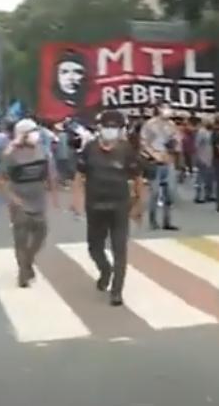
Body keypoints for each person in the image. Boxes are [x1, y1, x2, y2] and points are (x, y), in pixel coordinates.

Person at [72, 110, 145, 306]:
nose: (110, 130)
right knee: (94, 247)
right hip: (95, 206)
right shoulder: (89, 149)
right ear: (100, 128)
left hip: (120, 206)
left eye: (115, 127)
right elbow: (79, 177)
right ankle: (105, 270)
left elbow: (138, 178)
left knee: (119, 249)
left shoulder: (127, 150)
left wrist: (138, 204)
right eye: (107, 126)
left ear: (121, 130)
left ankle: (117, 291)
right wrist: (76, 201)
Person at [0, 119, 58, 287]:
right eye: (32, 131)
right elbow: (0, 179)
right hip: (20, 204)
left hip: (39, 202)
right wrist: (12, 198)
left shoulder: (42, 151)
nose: (36, 134)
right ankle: (23, 273)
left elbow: (50, 174)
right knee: (21, 240)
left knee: (40, 235)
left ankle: (28, 261)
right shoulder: (11, 155)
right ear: (22, 134)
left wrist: (53, 195)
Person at [140, 100, 180, 230]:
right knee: (155, 192)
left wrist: (174, 146)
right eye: (165, 108)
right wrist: (154, 154)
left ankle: (167, 221)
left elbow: (177, 141)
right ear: (158, 108)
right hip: (155, 161)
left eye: (169, 108)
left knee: (169, 192)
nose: (168, 110)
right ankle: (153, 221)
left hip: (168, 160)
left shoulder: (171, 125)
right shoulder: (150, 125)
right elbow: (144, 143)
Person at [193, 117, 216, 204]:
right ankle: (199, 196)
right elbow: (197, 145)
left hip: (211, 157)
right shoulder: (201, 132)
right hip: (202, 157)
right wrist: (199, 157)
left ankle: (209, 195)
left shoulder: (211, 132)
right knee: (201, 177)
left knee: (210, 177)